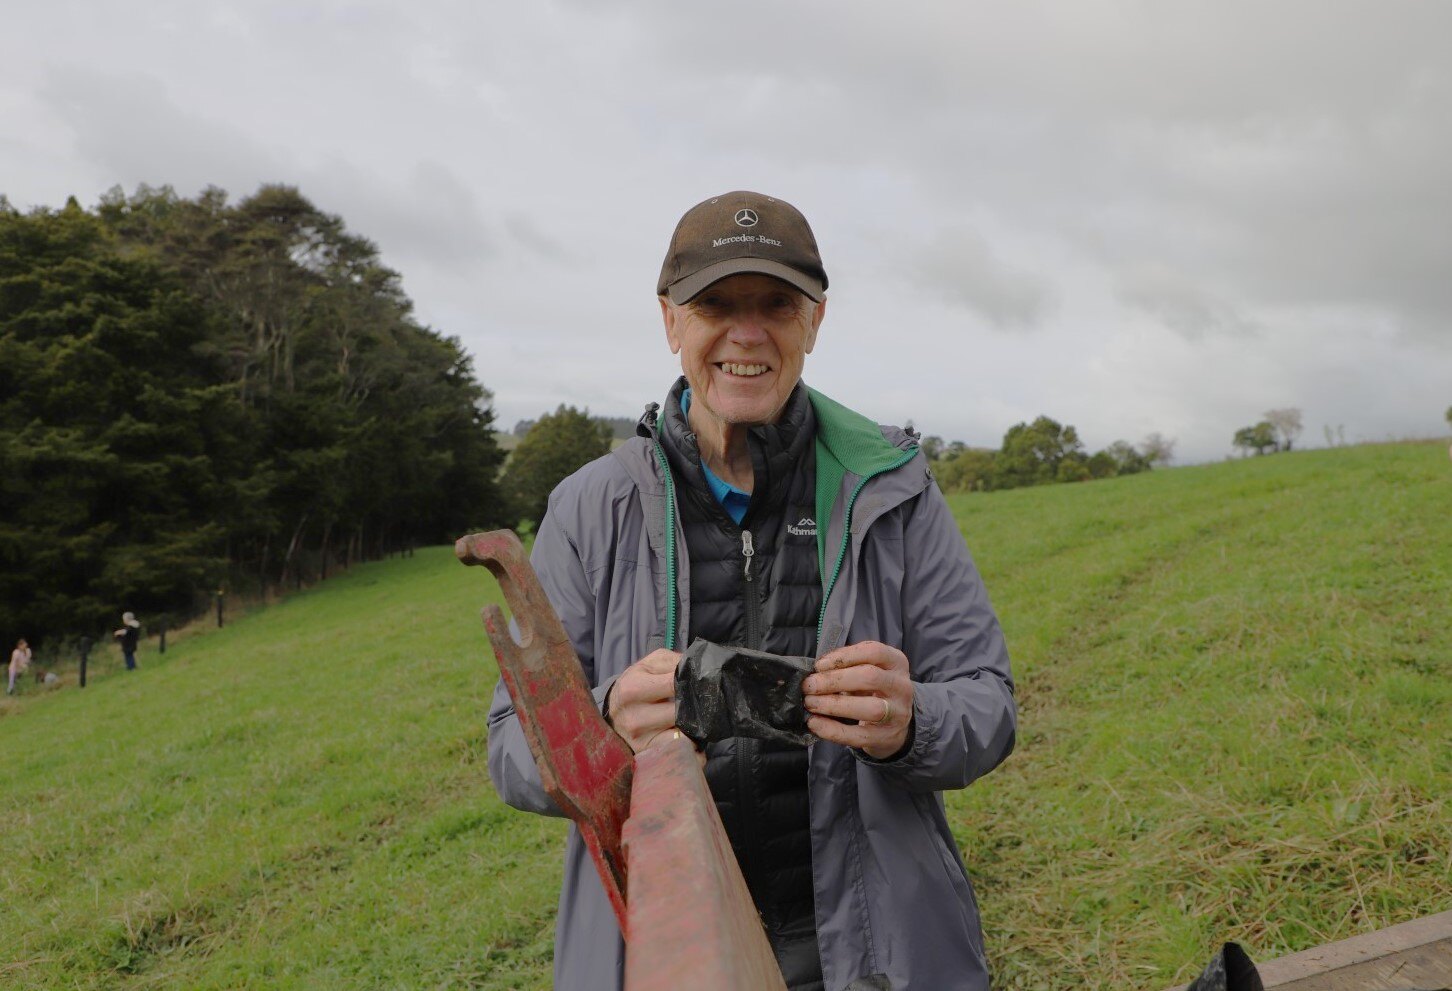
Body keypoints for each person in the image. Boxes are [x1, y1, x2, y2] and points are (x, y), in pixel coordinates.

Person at [487, 191, 1017, 991]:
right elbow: (509, 746)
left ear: (815, 320)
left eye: (776, 304)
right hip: (668, 957)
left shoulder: (892, 491)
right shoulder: (589, 509)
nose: (747, 333)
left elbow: (988, 702)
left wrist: (909, 721)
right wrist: (603, 720)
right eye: (715, 305)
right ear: (670, 320)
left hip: (875, 958)